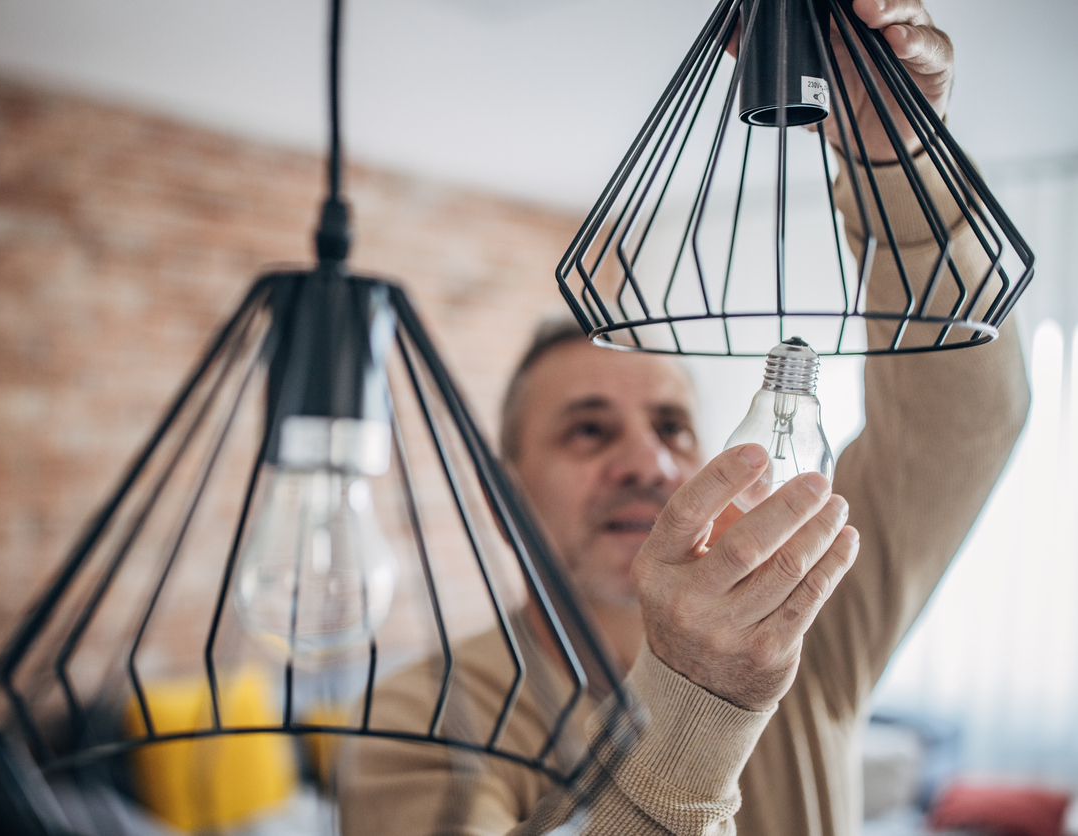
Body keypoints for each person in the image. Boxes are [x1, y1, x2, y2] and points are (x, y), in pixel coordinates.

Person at [338, 0, 1030, 833]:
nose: (649, 464)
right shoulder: (423, 722)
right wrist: (699, 696)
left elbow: (962, 421)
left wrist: (897, 164)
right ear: (503, 488)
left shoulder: (808, 622)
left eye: (671, 427)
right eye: (587, 430)